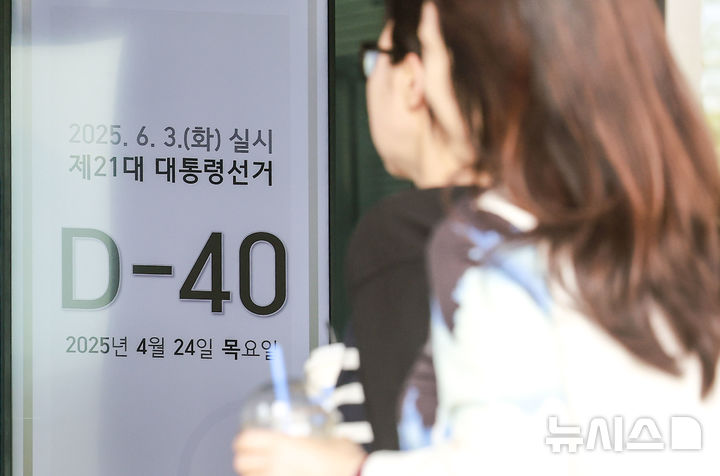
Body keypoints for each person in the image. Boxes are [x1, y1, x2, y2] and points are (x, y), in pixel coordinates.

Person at [234, 1, 720, 474]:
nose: (422, 80)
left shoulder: (490, 247)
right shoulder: (677, 238)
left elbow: (502, 457)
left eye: (431, 50)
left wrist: (354, 470)